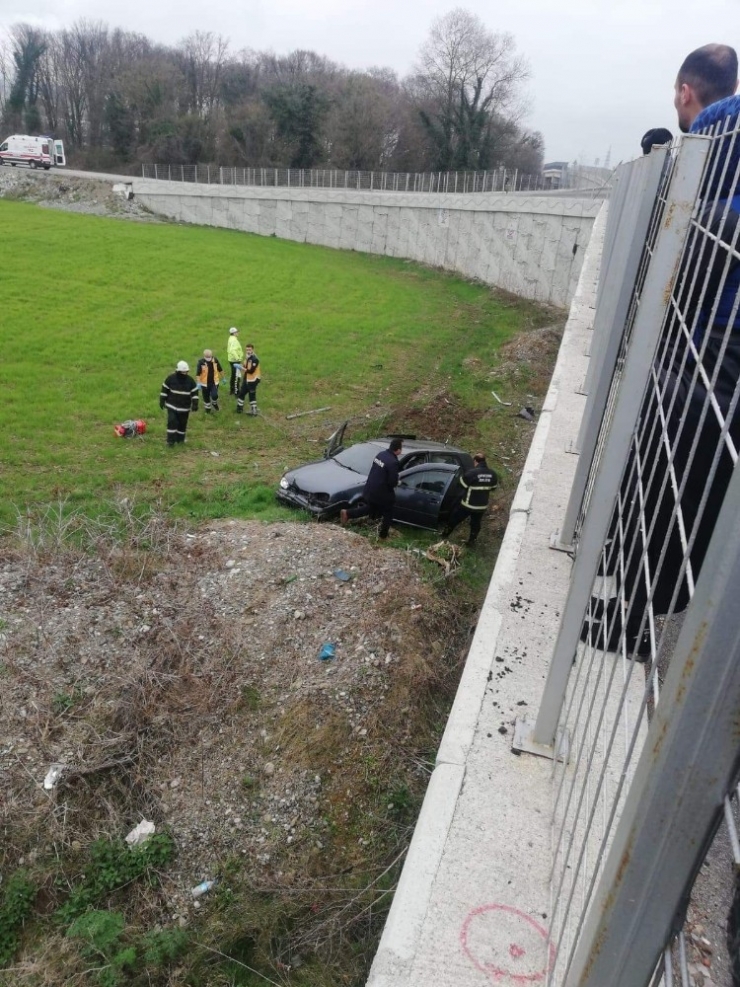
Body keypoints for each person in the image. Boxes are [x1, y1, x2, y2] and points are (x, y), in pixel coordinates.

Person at [585, 44, 740, 656]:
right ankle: (632, 607)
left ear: (685, 91)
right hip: (701, 339)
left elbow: (683, 244)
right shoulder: (712, 149)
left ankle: (637, 620)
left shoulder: (717, 146)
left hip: (713, 344)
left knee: (674, 486)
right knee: (669, 481)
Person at [340, 438, 403, 539]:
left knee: (371, 508)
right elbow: (392, 482)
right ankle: (383, 537)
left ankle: (347, 513)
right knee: (388, 512)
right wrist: (397, 482)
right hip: (381, 493)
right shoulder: (393, 462)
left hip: (370, 488)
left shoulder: (380, 455)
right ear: (398, 450)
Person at [442, 453, 498, 547]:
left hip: (468, 504)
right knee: (475, 524)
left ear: (475, 461)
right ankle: (471, 541)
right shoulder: (492, 474)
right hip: (481, 506)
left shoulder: (472, 473)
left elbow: (461, 485)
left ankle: (444, 535)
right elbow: (493, 488)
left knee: (454, 519)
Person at [160, 360, 199, 445]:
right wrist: (162, 400)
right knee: (172, 422)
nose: (185, 373)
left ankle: (180, 440)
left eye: (186, 372)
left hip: (184, 408)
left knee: (182, 424)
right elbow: (164, 389)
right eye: (183, 372)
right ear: (178, 371)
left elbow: (195, 392)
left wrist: (195, 403)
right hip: (172, 406)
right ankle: (170, 442)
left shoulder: (190, 381)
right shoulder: (171, 378)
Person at [236, 343, 261, 415]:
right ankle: (239, 409)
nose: (248, 351)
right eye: (247, 350)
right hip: (247, 379)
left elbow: (251, 371)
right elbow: (245, 366)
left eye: (249, 350)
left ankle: (254, 411)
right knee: (242, 393)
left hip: (253, 380)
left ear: (253, 349)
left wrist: (241, 368)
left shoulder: (254, 359)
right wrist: (241, 366)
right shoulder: (247, 358)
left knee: (251, 395)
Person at [227, 327, 243, 396]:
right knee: (237, 376)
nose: (238, 332)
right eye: (237, 332)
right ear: (234, 333)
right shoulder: (234, 340)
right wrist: (238, 358)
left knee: (233, 375)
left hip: (231, 359)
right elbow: (232, 350)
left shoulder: (231, 338)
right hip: (235, 360)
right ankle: (236, 392)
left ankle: (232, 390)